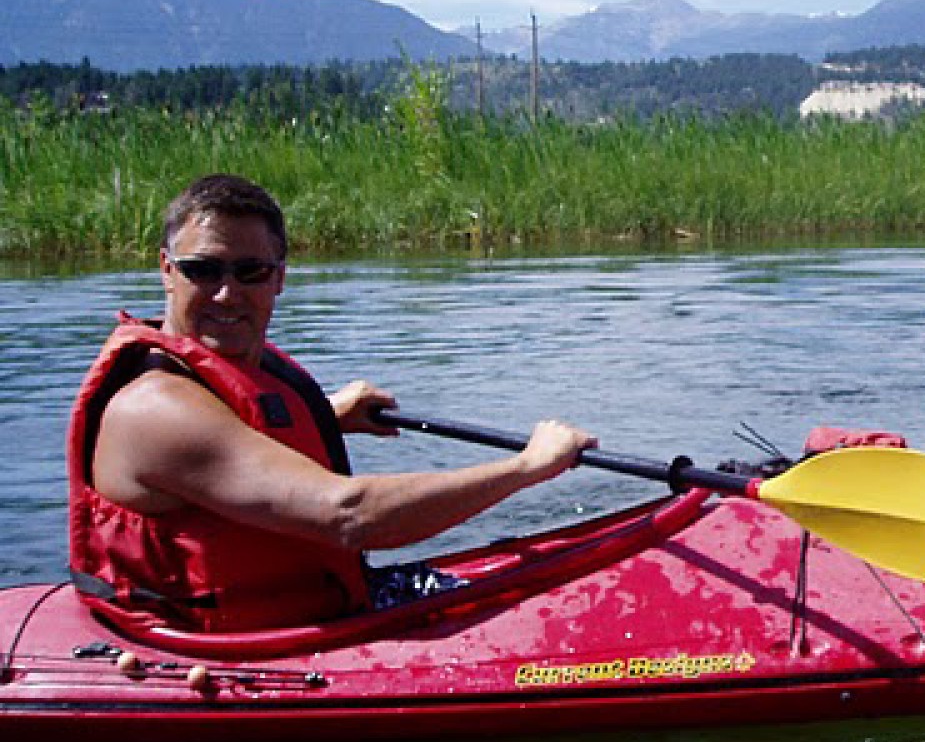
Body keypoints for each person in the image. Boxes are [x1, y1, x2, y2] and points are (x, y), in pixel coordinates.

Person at [67, 174, 597, 632]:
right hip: (238, 643)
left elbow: (229, 439)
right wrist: (527, 467)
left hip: (323, 608)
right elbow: (350, 515)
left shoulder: (225, 376)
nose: (226, 293)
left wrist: (324, 415)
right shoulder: (155, 409)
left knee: (575, 589)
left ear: (279, 277)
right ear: (166, 269)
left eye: (249, 272)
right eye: (203, 271)